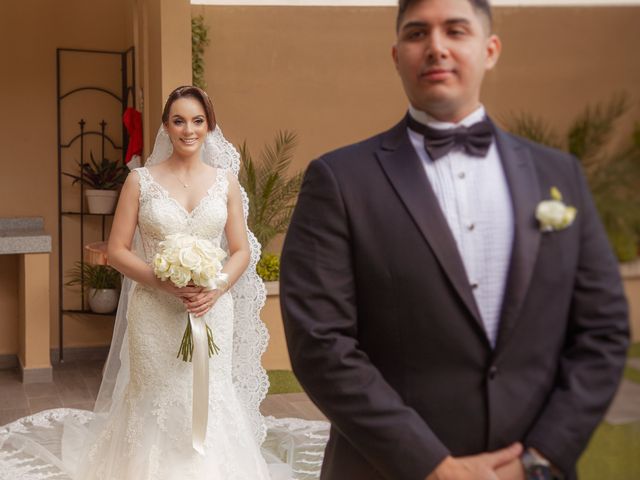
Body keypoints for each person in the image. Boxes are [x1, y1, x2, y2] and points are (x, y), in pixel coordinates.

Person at [279, 1, 630, 480]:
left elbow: (603, 331)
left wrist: (539, 459)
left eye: (456, 30)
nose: (436, 47)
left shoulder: (559, 175)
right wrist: (432, 465)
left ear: (490, 50)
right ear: (397, 54)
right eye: (417, 33)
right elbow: (320, 342)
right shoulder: (339, 181)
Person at [0, 86, 330, 479]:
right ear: (165, 127)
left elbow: (241, 250)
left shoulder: (226, 181)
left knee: (209, 396)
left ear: (209, 126)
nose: (188, 129)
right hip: (154, 313)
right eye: (178, 120)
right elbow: (118, 250)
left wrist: (217, 287)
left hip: (211, 309)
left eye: (197, 120)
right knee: (154, 398)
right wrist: (163, 282)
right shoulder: (140, 181)